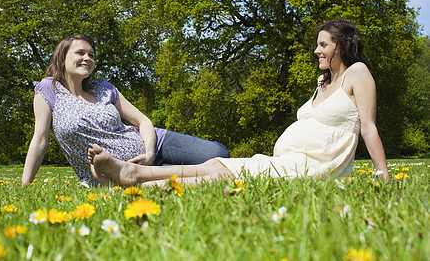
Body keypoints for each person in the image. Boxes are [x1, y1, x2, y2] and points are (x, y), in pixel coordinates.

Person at [87, 19, 390, 187]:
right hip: (294, 161)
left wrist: (382, 177)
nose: (316, 51)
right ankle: (134, 179)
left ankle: (134, 175)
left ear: (342, 45)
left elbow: (370, 129)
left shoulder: (357, 73)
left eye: (323, 44)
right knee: (213, 167)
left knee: (220, 169)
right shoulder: (323, 81)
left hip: (316, 168)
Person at [21, 34, 229, 186]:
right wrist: (25, 185)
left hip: (154, 145)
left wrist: (148, 153)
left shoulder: (103, 89)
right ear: (63, 57)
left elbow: (143, 121)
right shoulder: (50, 90)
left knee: (220, 153)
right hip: (114, 171)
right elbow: (40, 140)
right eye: (80, 53)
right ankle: (145, 174)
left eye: (91, 55)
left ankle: (151, 169)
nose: (88, 58)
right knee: (207, 177)